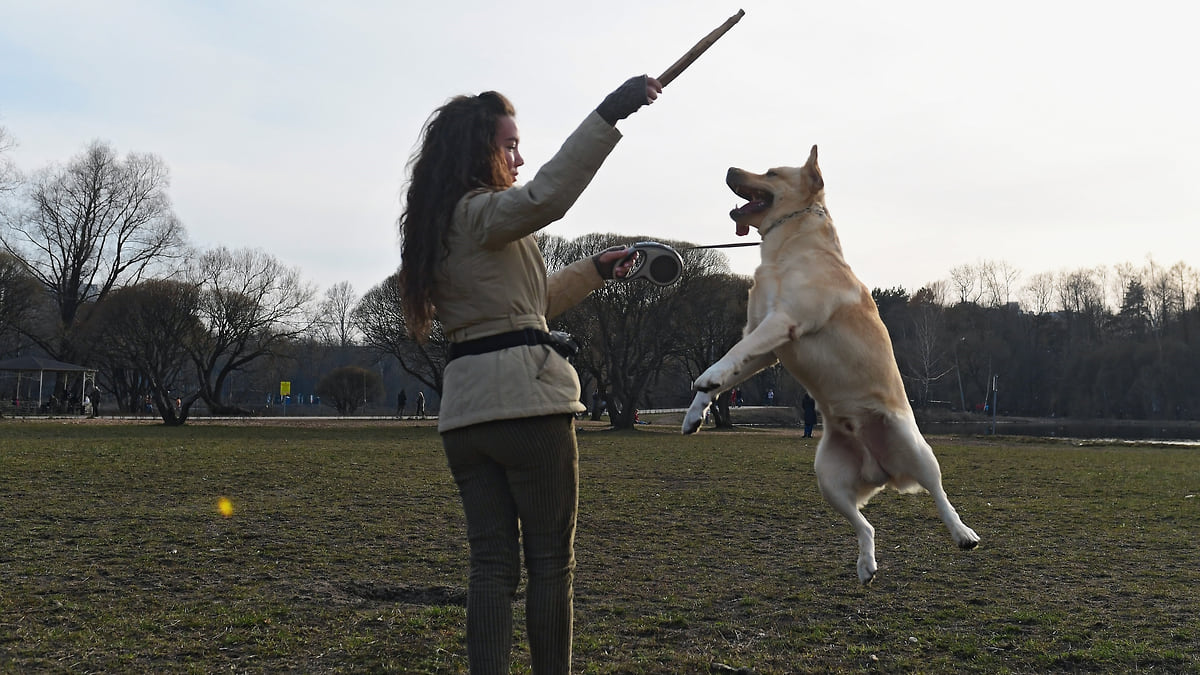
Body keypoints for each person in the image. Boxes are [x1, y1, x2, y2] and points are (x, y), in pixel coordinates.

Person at [398, 75, 661, 673]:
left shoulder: (444, 225)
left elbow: (523, 306)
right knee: (550, 564)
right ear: (477, 152)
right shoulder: (482, 212)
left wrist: (595, 269)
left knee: (490, 567)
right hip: (527, 409)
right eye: (509, 145)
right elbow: (548, 197)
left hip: (465, 417)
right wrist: (609, 114)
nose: (520, 157)